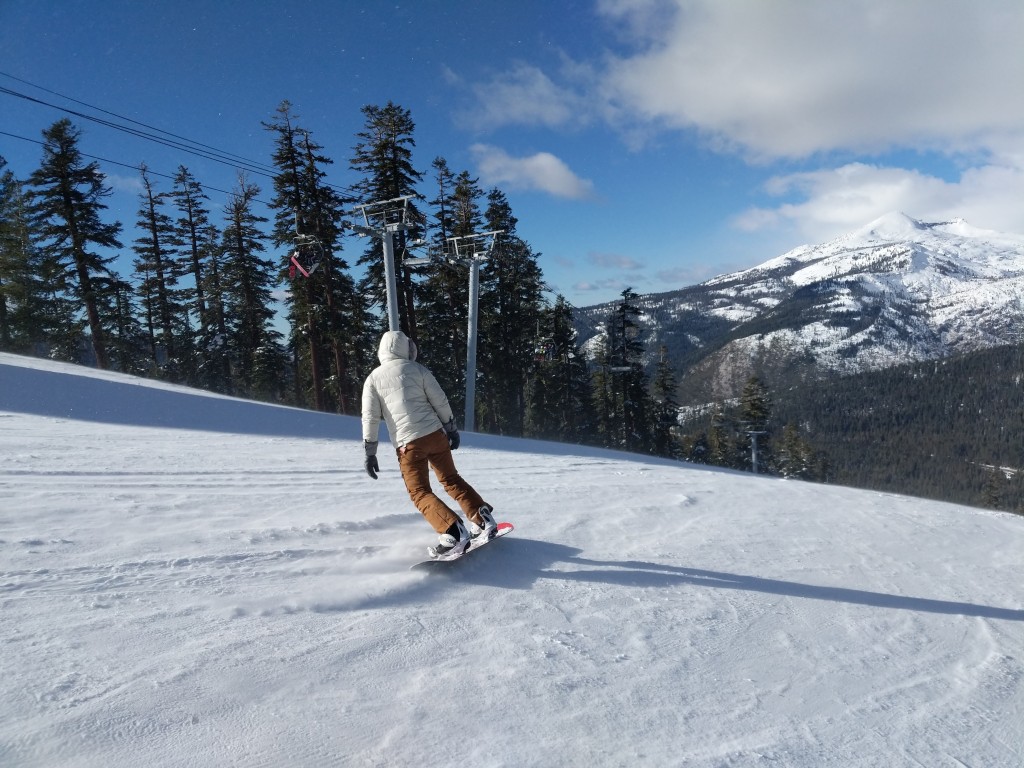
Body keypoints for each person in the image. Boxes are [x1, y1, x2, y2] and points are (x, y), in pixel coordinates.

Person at [361, 330, 497, 556]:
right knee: (451, 479)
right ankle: (482, 518)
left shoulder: (373, 379)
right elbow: (440, 400)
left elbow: (370, 417)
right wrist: (451, 428)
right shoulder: (418, 369)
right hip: (436, 435)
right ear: (406, 348)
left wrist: (370, 452)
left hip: (409, 444)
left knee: (419, 491)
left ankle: (452, 532)